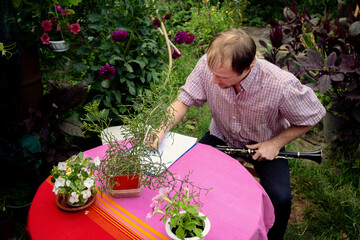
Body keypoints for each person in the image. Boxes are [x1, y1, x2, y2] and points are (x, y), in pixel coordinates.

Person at [153, 28, 326, 239]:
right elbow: (184, 100)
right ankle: (209, 227)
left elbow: (313, 115)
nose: (214, 81)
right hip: (221, 136)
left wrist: (275, 143)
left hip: (265, 145)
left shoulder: (281, 84)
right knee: (192, 179)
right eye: (212, 73)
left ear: (248, 67)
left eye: (223, 76)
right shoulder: (208, 65)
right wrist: (161, 128)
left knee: (280, 198)